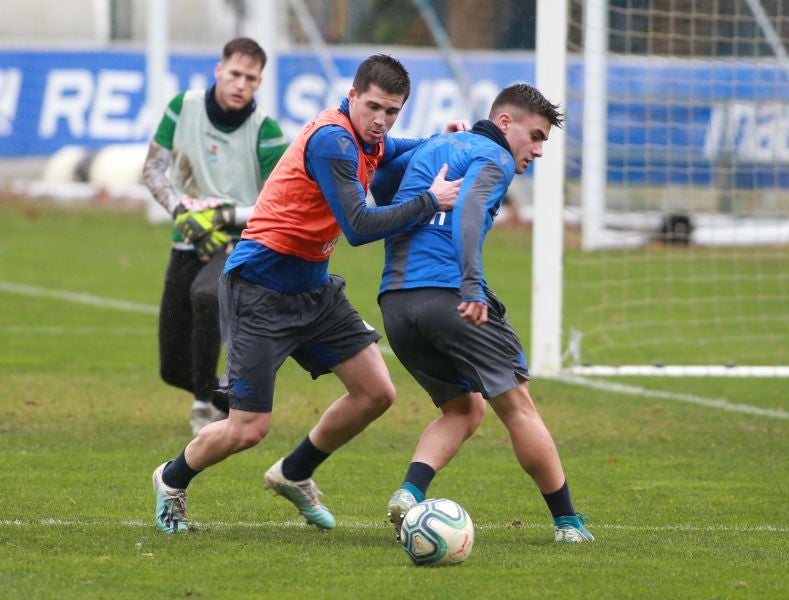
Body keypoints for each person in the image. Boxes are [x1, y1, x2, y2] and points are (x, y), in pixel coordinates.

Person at [151, 53, 466, 534]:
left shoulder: (368, 136)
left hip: (314, 289)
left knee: (376, 392)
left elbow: (404, 147)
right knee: (248, 429)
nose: (382, 121)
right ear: (353, 96)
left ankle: (294, 473)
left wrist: (444, 139)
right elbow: (358, 227)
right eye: (375, 107)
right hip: (260, 289)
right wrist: (430, 202)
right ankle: (171, 480)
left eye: (393, 112)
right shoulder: (332, 141)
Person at [373, 83, 594, 543]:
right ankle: (569, 523)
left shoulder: (436, 145)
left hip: (395, 303)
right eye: (535, 136)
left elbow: (380, 185)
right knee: (519, 408)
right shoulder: (492, 157)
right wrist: (471, 285)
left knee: (463, 409)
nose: (536, 150)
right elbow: (469, 210)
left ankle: (410, 493)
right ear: (505, 122)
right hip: (451, 296)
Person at [142, 37, 288, 436]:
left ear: (259, 83)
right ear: (218, 70)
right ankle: (233, 394)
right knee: (172, 366)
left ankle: (204, 406)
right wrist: (180, 213)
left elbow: (283, 200)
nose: (241, 84)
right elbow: (153, 169)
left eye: (251, 78)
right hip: (187, 239)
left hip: (240, 242)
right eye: (235, 74)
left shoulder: (267, 131)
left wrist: (223, 217)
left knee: (207, 295)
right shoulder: (182, 107)